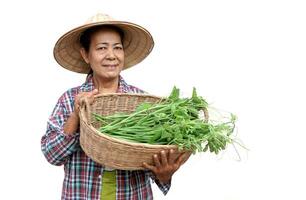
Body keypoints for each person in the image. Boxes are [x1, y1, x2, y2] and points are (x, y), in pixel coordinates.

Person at [41, 13, 189, 200]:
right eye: (102, 48)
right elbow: (52, 155)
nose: (111, 55)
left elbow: (155, 165)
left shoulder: (144, 103)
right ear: (85, 54)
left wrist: (164, 173)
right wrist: (76, 116)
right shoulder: (70, 99)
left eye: (117, 48)